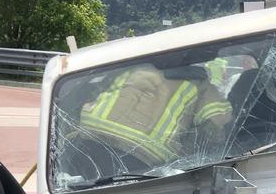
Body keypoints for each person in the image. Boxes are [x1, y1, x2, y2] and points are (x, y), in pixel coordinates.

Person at [78, 63, 232, 173]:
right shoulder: (200, 84)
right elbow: (217, 123)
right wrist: (188, 151)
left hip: (90, 134)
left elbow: (95, 92)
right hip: (143, 152)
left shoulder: (134, 67)